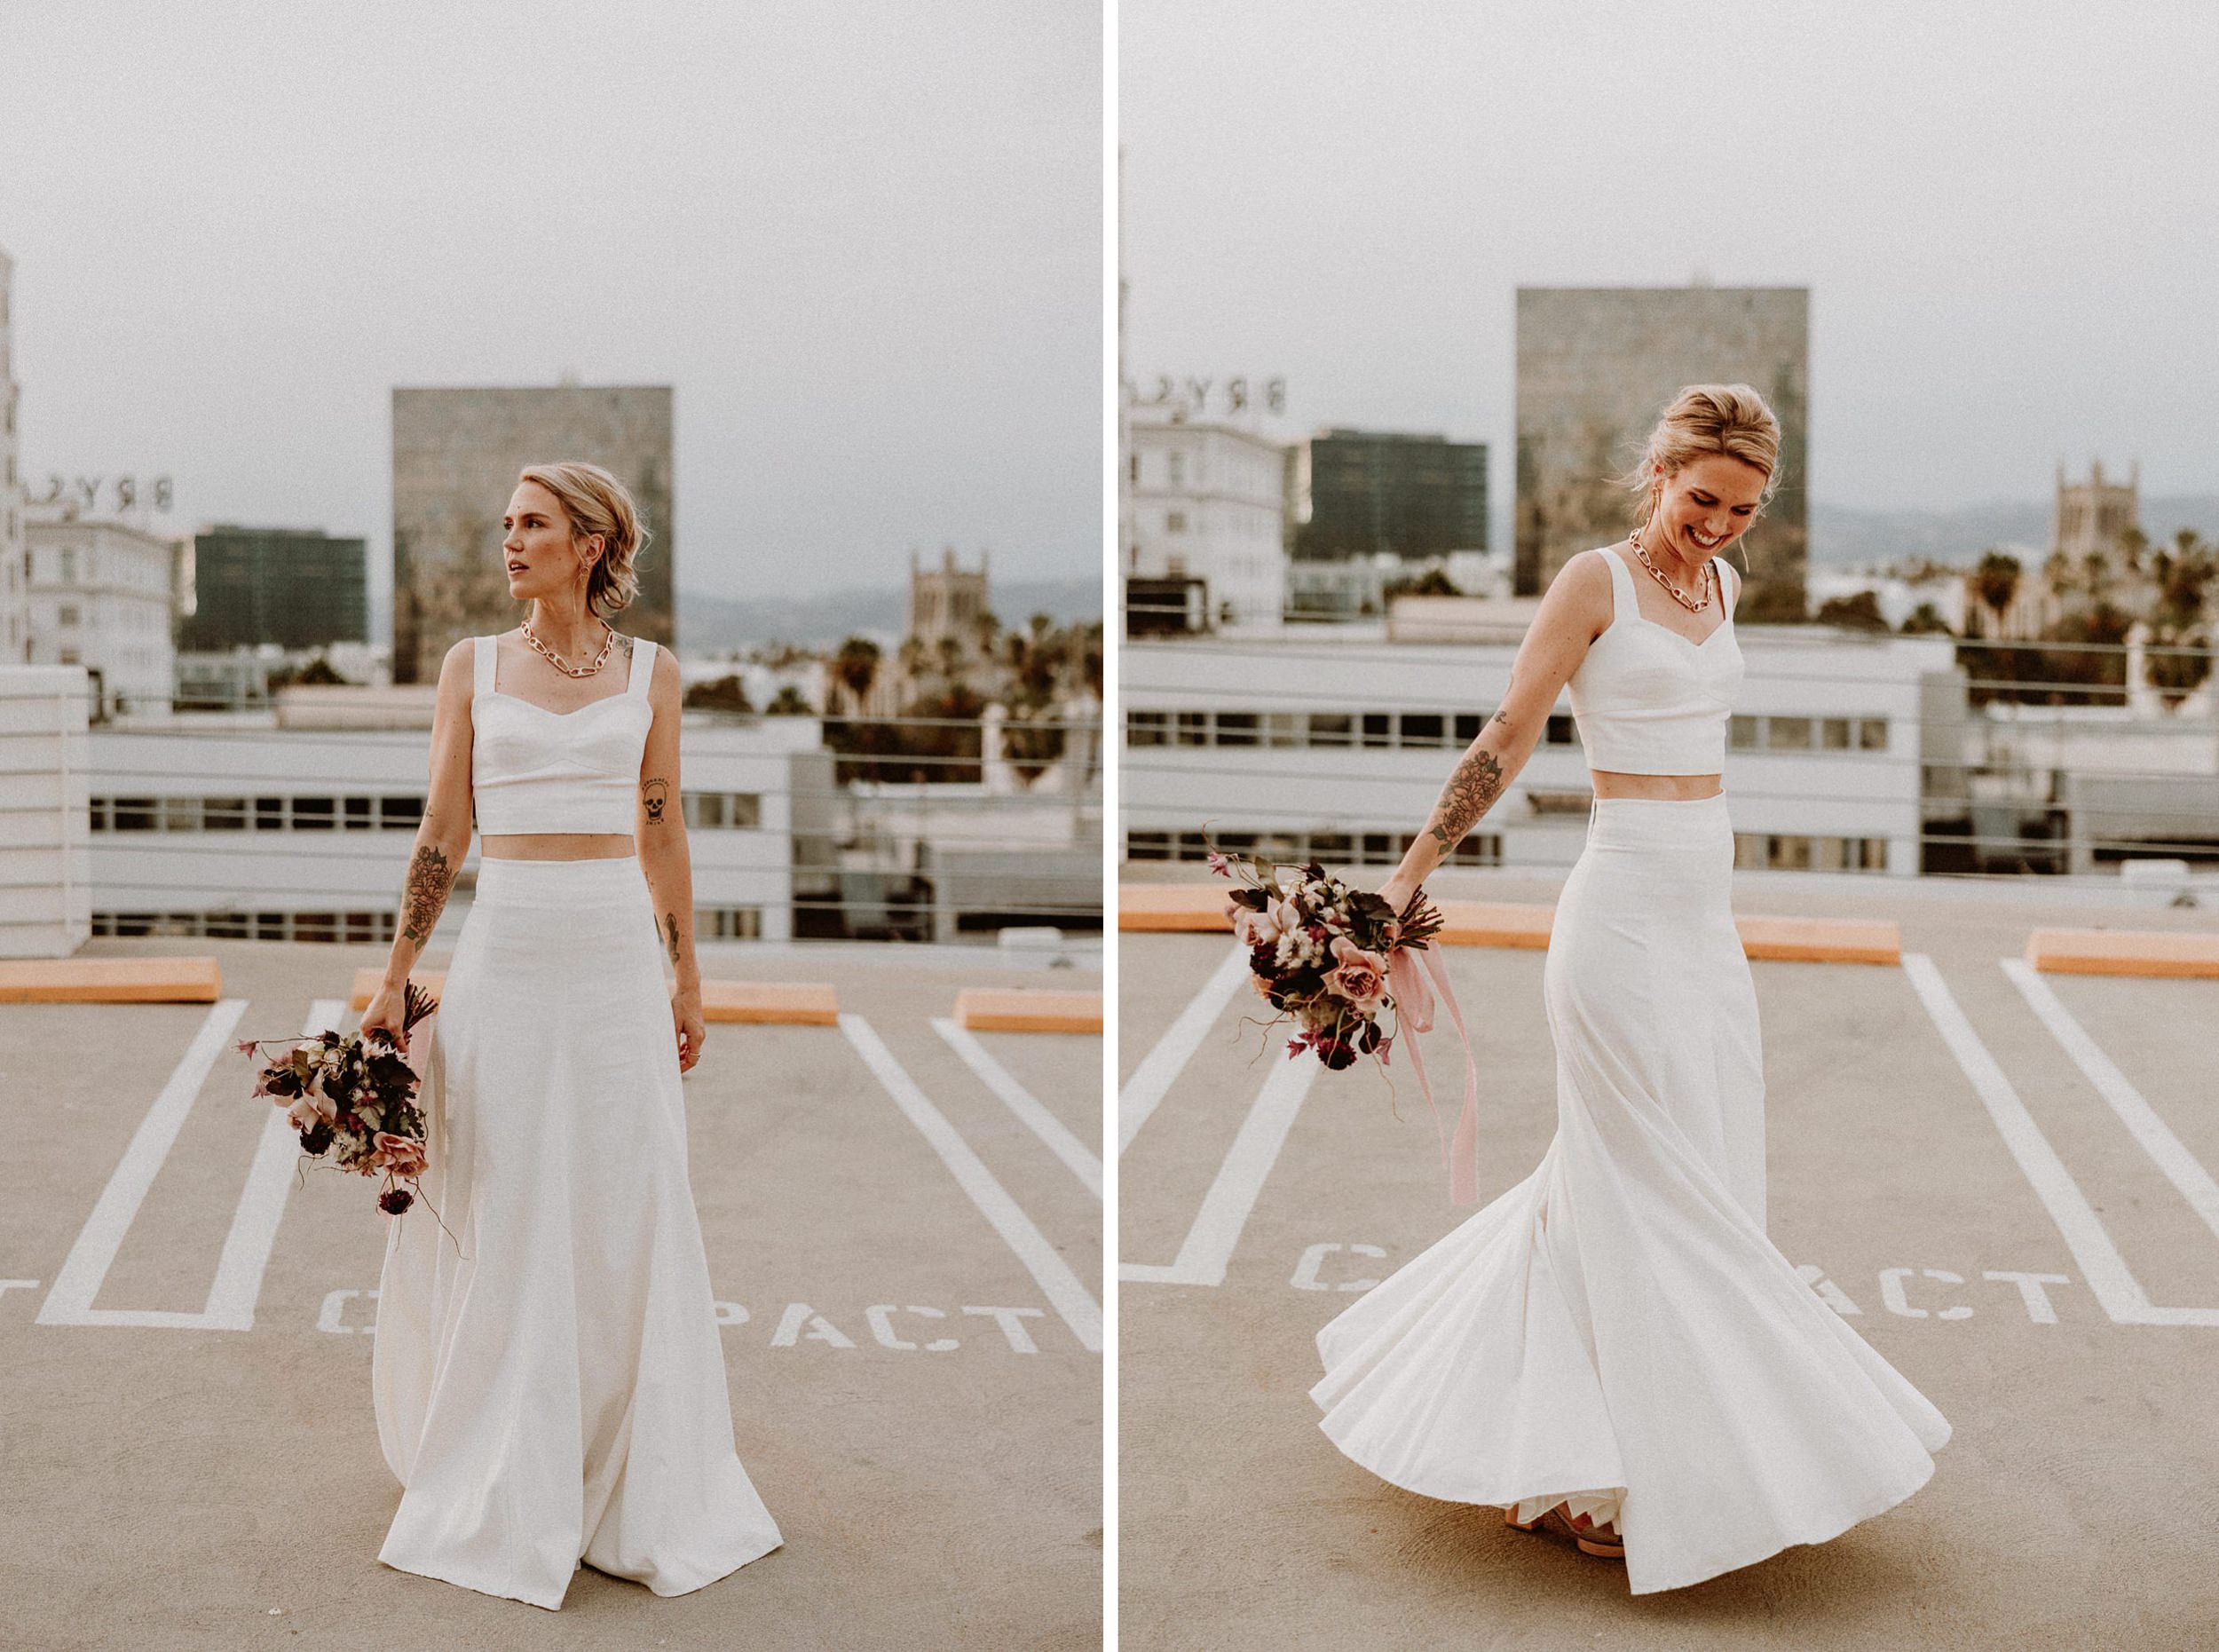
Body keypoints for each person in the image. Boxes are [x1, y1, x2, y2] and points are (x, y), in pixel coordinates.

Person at [1307, 385, 1949, 1595]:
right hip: (1614, 925)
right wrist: (1404, 879)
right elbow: (1507, 733)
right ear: (1656, 472)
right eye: (1701, 497)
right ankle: (1618, 1477)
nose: (1717, 524)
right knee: (1647, 1186)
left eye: (1743, 508)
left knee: (1684, 1166)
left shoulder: (1728, 588)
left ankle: (1546, 1450)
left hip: (1705, 921)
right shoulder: (1592, 585)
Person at [356, 461, 782, 1609]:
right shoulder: (472, 668)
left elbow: (662, 827)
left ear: (591, 543)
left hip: (612, 963)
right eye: (506, 523)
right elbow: (444, 828)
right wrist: (400, 975)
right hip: (508, 954)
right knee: (511, 1194)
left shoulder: (654, 674)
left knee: (624, 1197)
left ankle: (627, 1470)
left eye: (533, 523)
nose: (511, 540)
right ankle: (508, 1462)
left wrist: (688, 973)